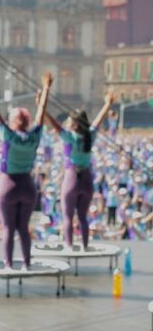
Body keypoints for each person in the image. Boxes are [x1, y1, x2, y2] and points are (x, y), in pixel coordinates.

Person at [0, 70, 53, 270]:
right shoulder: (35, 136)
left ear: (12, 122)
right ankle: (27, 264)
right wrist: (46, 88)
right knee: (23, 228)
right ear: (27, 122)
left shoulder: (8, 135)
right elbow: (41, 113)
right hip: (28, 186)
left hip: (8, 185)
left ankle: (9, 265)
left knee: (8, 228)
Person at [45, 90, 115, 250]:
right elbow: (98, 120)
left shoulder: (69, 137)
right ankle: (84, 245)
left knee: (68, 216)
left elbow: (54, 124)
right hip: (87, 179)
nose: (68, 124)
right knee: (83, 217)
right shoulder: (91, 136)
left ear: (75, 124)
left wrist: (42, 107)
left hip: (71, 178)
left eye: (70, 122)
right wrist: (107, 104)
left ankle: (69, 246)